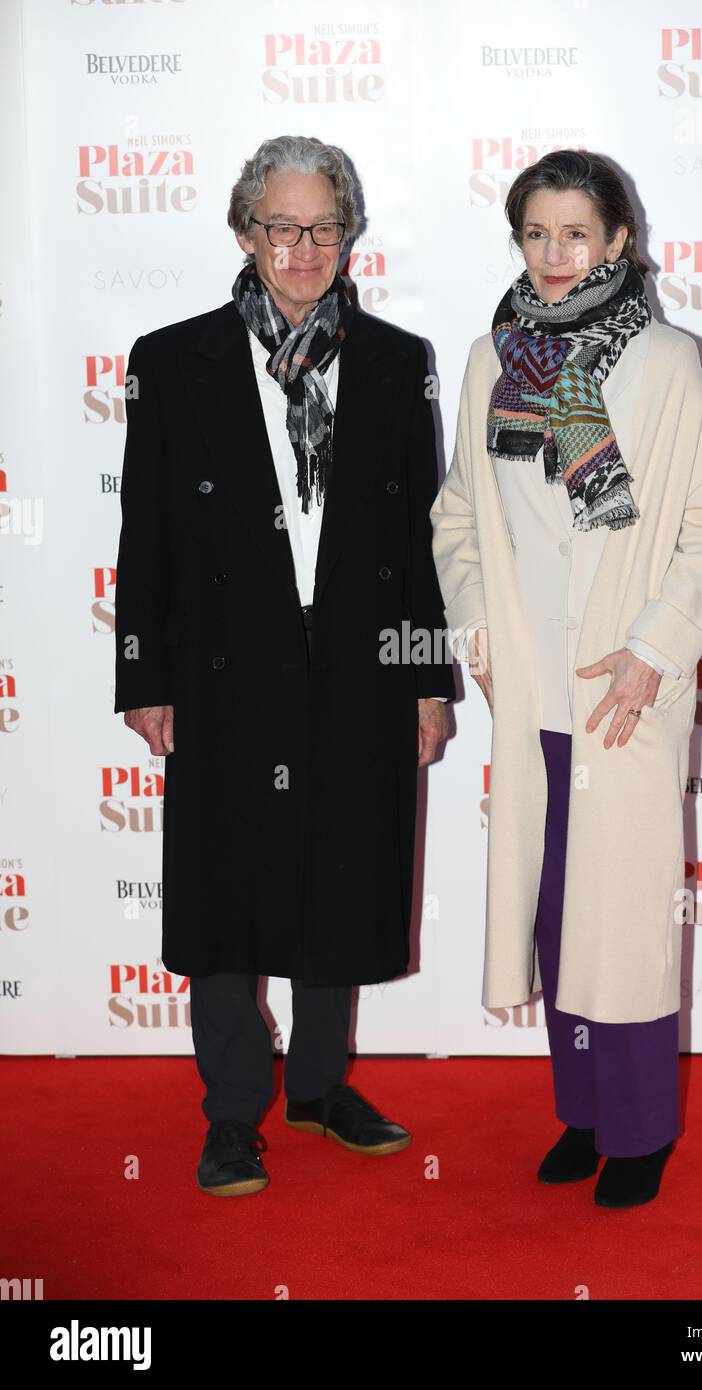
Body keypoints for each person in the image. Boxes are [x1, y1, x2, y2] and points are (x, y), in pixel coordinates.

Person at [114, 135, 453, 1197]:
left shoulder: (399, 363)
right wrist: (143, 675)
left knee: (340, 870)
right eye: (282, 227)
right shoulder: (171, 361)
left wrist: (425, 675)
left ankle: (314, 1086)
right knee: (224, 886)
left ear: (348, 234)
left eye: (324, 227)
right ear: (243, 230)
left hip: (357, 662)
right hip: (223, 667)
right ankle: (228, 1114)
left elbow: (428, 543)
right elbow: (148, 532)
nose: (304, 250)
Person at [430, 150, 702, 1209]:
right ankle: (582, 1111)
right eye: (534, 234)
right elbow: (459, 517)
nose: (554, 256)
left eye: (575, 234)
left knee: (624, 918)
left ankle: (641, 1129)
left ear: (616, 240)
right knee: (555, 911)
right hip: (531, 690)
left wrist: (654, 649)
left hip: (623, 685)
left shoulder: (664, 359)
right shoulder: (487, 360)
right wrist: (473, 622)